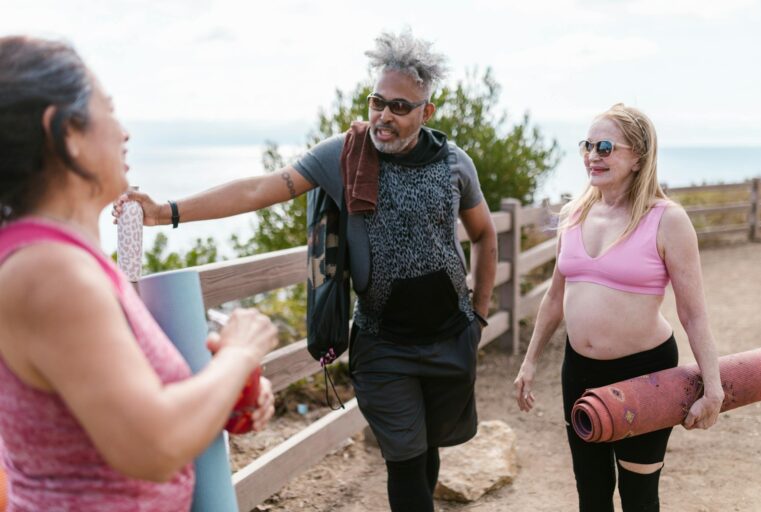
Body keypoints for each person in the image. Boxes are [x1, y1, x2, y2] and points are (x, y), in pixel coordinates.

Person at [114, 29, 497, 512]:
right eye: (378, 102)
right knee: (404, 458)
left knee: (426, 450)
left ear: (426, 112)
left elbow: (485, 235)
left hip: (449, 338)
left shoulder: (454, 164)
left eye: (401, 107)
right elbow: (258, 190)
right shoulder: (343, 155)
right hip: (384, 345)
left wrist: (479, 316)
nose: (384, 115)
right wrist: (165, 211)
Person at [0, 36, 277, 511]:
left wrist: (218, 394)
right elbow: (153, 447)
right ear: (66, 131)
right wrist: (240, 352)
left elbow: (120, 407)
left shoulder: (64, 261)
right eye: (109, 110)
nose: (124, 133)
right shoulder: (49, 273)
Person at [513, 104, 724, 511]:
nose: (593, 155)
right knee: (591, 494)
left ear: (638, 157)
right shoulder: (574, 214)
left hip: (644, 374)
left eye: (605, 147)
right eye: (587, 146)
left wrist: (712, 388)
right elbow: (555, 297)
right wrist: (530, 361)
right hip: (579, 370)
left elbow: (693, 313)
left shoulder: (668, 221)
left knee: (638, 496)